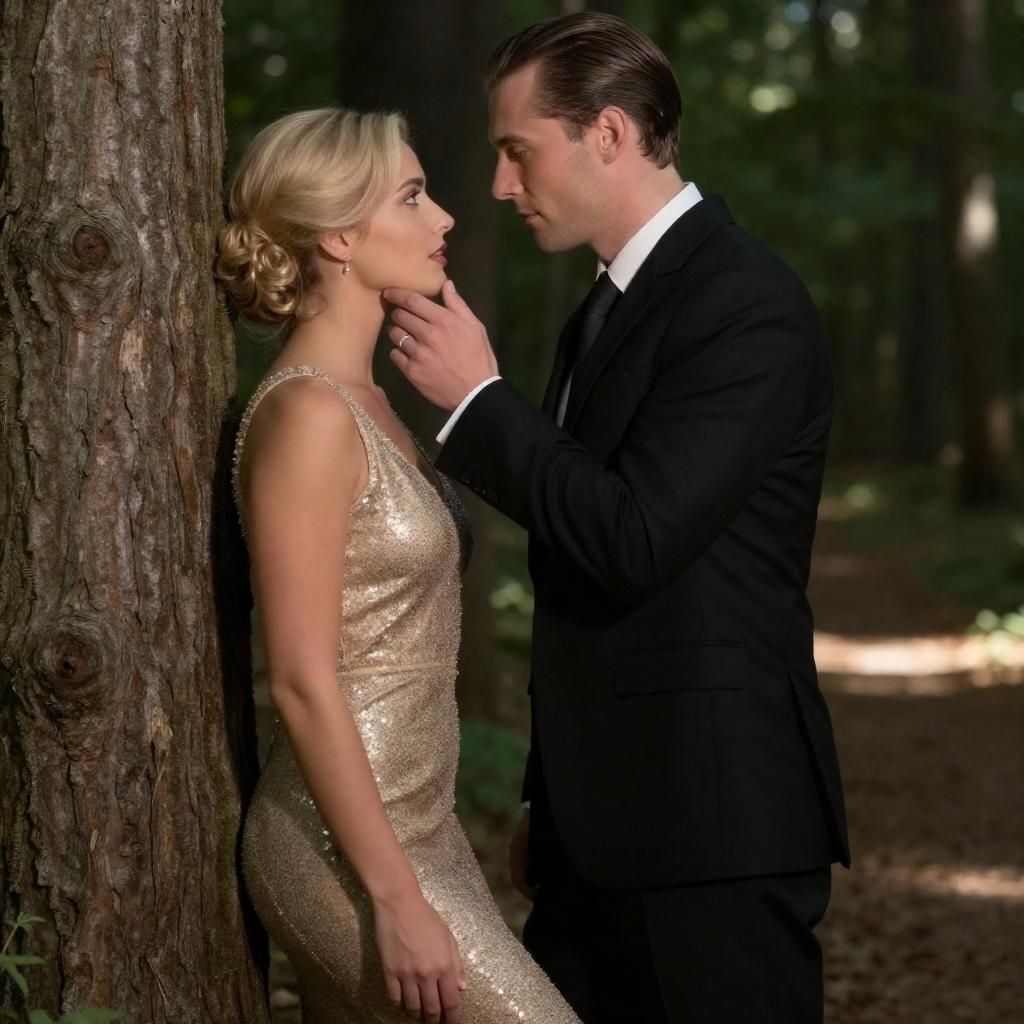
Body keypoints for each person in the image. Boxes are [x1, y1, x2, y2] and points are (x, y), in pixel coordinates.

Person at [382, 12, 851, 1024]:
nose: (499, 184)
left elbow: (633, 538)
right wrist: (554, 799)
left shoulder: (746, 302)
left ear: (608, 133)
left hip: (710, 831)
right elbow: (583, 578)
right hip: (601, 829)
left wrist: (479, 403)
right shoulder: (604, 308)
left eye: (518, 150)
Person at [219, 107, 581, 1024]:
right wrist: (395, 896)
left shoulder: (372, 402)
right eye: (413, 196)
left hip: (422, 829)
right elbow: (300, 678)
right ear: (340, 236)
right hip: (339, 846)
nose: (446, 216)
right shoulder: (308, 415)